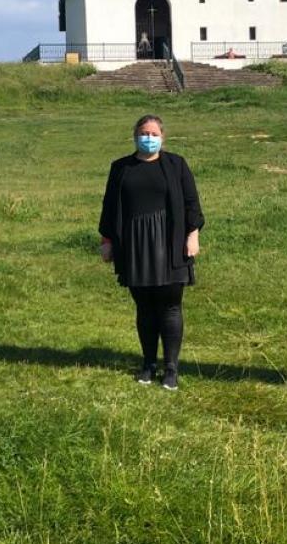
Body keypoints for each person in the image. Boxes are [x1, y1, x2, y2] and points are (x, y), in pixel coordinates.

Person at [99, 115, 203, 391]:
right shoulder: (120, 167)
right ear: (135, 135)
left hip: (171, 244)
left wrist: (193, 235)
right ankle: (148, 364)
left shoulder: (176, 164)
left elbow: (192, 202)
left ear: (162, 137)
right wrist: (107, 240)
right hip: (134, 245)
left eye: (154, 133)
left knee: (170, 307)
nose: (149, 137)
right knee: (144, 308)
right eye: (144, 132)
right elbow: (109, 206)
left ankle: (171, 368)